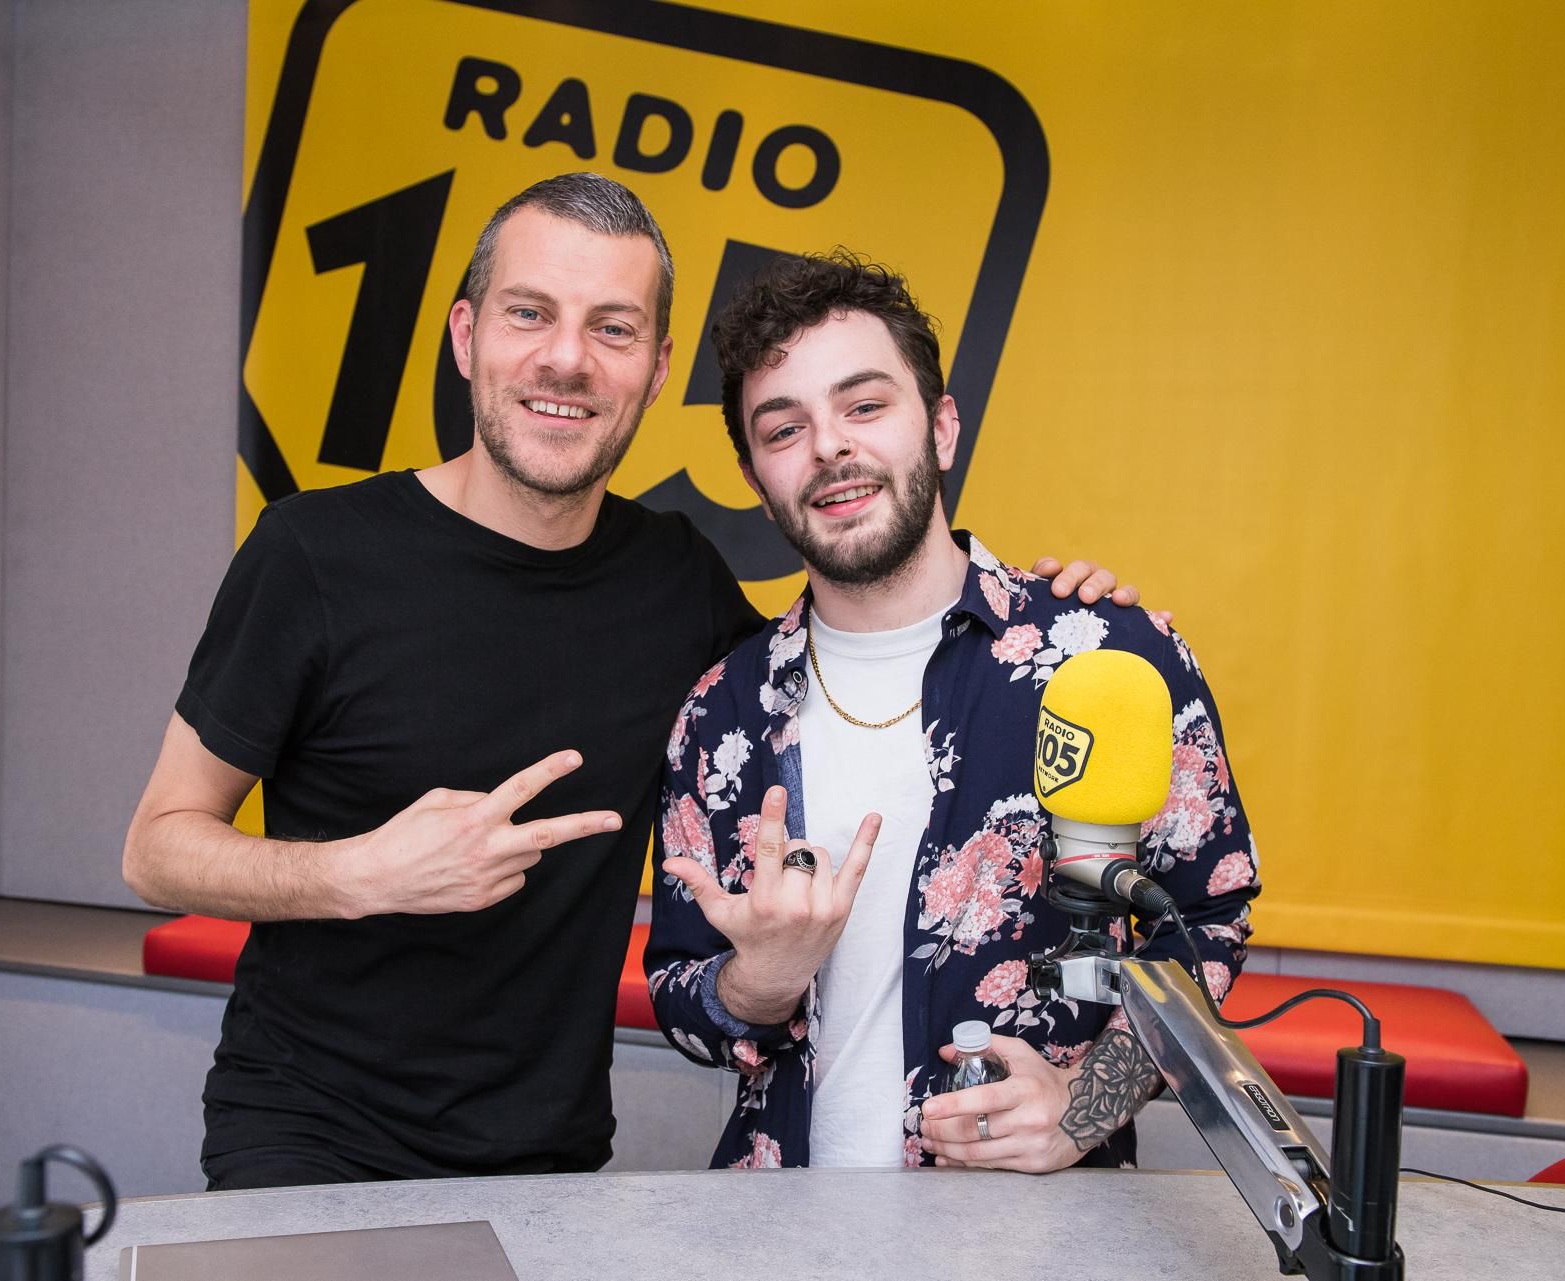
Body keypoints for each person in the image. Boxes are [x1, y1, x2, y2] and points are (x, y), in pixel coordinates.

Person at [124, 174, 1142, 1190]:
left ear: (654, 373)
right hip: (305, 1133)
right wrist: (361, 873)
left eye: (612, 328)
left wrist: (1057, 615)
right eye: (530, 313)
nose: (567, 358)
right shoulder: (313, 554)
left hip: (548, 1161)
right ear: (467, 336)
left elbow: (866, 639)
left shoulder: (680, 588)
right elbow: (156, 849)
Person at [646, 250, 1259, 1172]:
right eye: (785, 428)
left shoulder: (1105, 657)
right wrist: (756, 984)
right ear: (754, 477)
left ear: (940, 427)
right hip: (776, 1220)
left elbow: (1209, 914)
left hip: (1032, 1227)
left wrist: (1087, 1102)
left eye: (864, 406)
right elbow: (679, 991)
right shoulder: (721, 713)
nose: (828, 447)